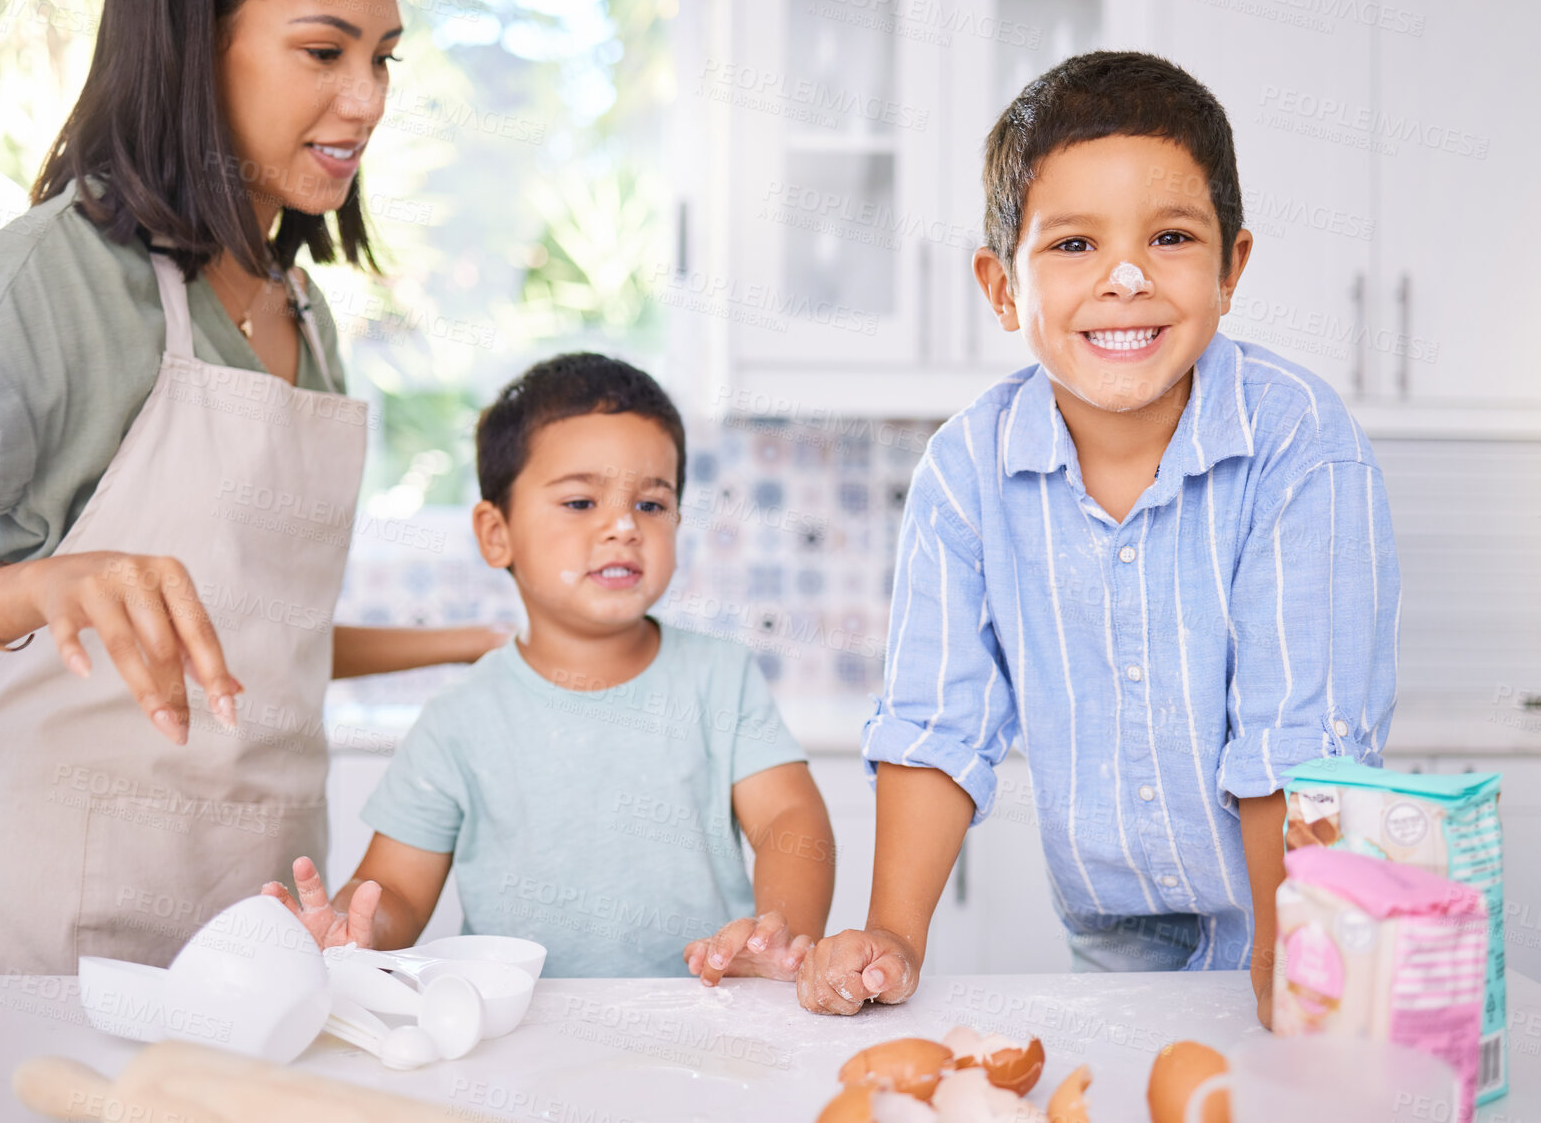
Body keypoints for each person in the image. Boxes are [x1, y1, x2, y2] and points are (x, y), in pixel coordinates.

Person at [0, 0, 501, 975]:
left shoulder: (303, 315)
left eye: (383, 59)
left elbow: (249, 639)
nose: (367, 98)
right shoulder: (47, 283)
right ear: (194, 47)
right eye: (324, 51)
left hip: (262, 934)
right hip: (51, 939)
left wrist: (470, 646)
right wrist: (28, 591)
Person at [793, 52, 1400, 1025]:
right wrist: (893, 936)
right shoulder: (965, 473)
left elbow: (1297, 737)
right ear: (999, 285)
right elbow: (934, 728)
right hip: (1114, 927)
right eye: (1073, 245)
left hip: (1293, 897)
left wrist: (1292, 942)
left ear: (1229, 266)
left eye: (1167, 237)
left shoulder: (1296, 443)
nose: (1124, 279)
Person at [264, 354, 837, 979]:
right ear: (495, 533)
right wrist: (357, 929)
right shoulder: (460, 719)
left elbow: (789, 819)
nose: (622, 527)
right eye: (580, 502)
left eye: (651, 505)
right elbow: (395, 886)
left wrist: (778, 931)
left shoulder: (720, 679)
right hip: (518, 1031)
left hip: (703, 1023)